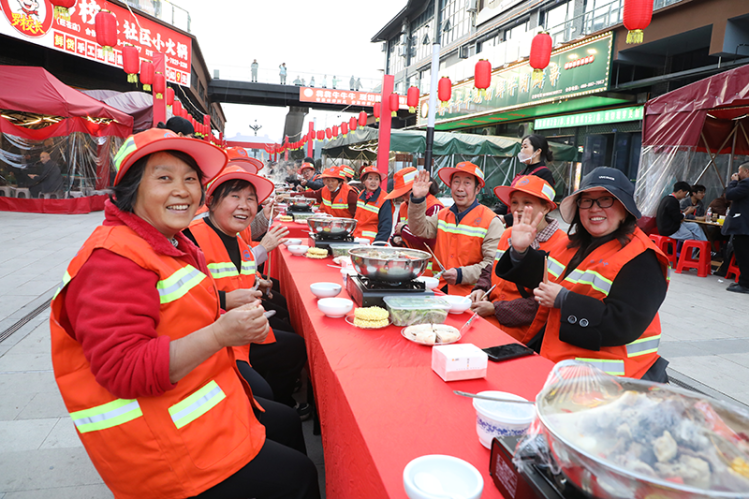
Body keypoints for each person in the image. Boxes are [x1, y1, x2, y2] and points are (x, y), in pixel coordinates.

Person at [49, 128, 319, 498]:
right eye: (164, 178)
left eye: (190, 179)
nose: (182, 191)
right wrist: (222, 333)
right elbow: (125, 370)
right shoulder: (112, 259)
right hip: (162, 445)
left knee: (285, 424)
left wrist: (228, 311)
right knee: (300, 476)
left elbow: (180, 311)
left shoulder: (164, 243)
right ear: (130, 189)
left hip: (197, 403)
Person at [496, 167, 670, 381]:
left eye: (606, 200)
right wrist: (520, 251)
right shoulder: (573, 243)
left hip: (609, 380)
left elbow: (624, 323)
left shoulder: (642, 257)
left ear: (625, 207)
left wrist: (564, 299)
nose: (594, 208)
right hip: (560, 364)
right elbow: (544, 278)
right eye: (586, 201)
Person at [185, 166, 310, 414]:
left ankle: (279, 400)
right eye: (235, 196)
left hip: (243, 325)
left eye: (251, 199)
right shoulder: (191, 238)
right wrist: (226, 299)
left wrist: (256, 281)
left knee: (293, 338)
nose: (244, 205)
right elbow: (185, 299)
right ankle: (271, 406)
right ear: (211, 201)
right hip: (214, 337)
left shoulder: (235, 235)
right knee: (289, 350)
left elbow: (238, 272)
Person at [469, 176, 564, 347]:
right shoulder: (508, 233)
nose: (519, 209)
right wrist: (481, 289)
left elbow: (541, 304)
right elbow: (492, 268)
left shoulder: (563, 245)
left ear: (546, 207)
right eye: (514, 202)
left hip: (523, 337)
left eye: (527, 202)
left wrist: (495, 309)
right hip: (487, 322)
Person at [409, 163, 504, 295]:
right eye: (456, 182)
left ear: (477, 189)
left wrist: (461, 274)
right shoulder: (443, 214)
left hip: (469, 296)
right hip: (438, 291)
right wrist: (418, 199)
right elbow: (419, 229)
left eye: (467, 183)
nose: (460, 188)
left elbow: (492, 264)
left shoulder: (491, 221)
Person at [386, 167, 444, 276]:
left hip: (426, 269)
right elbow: (396, 232)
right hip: (406, 265)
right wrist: (395, 240)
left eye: (405, 194)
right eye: (401, 195)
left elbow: (429, 240)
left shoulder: (435, 206)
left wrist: (403, 230)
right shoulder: (403, 206)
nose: (403, 198)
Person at [500, 134, 556, 227]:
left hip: (530, 225)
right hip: (514, 222)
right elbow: (509, 201)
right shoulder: (522, 172)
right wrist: (493, 214)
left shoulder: (544, 174)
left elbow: (539, 206)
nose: (521, 151)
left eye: (525, 147)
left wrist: (505, 219)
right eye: (521, 147)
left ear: (538, 151)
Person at [352, 165, 394, 244]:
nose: (373, 182)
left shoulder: (384, 199)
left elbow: (386, 228)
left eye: (376, 179)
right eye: (370, 178)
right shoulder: (361, 195)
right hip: (357, 240)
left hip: (372, 243)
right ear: (363, 181)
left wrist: (376, 247)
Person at [724, 164, 749, 293]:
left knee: (743, 255)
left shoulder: (746, 183)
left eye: (739, 171)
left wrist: (733, 182)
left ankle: (745, 284)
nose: (737, 174)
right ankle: (743, 281)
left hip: (743, 226)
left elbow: (730, 195)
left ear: (747, 171)